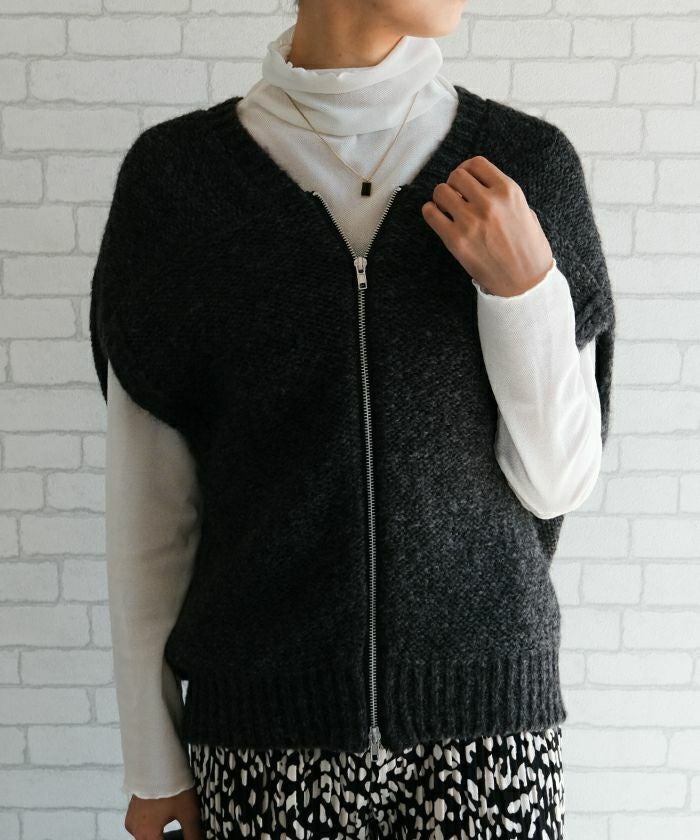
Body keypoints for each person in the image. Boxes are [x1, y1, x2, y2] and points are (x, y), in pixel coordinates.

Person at [90, 0, 616, 837]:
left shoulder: (526, 167)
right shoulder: (179, 186)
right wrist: (155, 762)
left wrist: (524, 292)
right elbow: (150, 509)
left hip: (490, 739)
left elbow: (558, 482)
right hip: (260, 744)